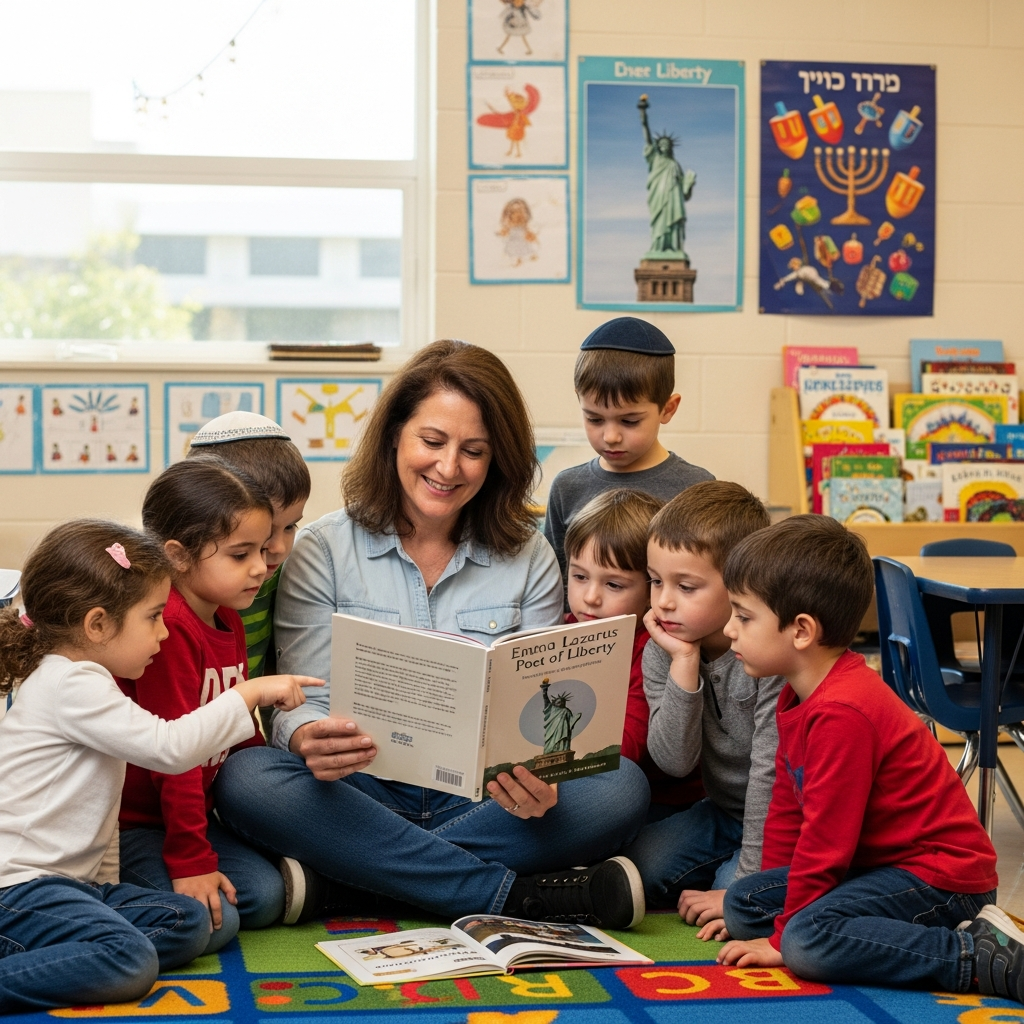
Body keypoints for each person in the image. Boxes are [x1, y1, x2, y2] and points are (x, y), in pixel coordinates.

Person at [214, 340, 650, 929]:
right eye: (433, 441)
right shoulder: (323, 548)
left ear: (496, 460)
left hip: (487, 799)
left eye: (474, 451)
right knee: (247, 779)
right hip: (357, 789)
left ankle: (348, 879)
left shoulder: (530, 556)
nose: (448, 468)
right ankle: (510, 895)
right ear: (395, 434)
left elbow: (545, 710)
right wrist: (304, 736)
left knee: (619, 787)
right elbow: (301, 697)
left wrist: (546, 774)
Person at [0, 519, 315, 1012]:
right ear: (97, 625)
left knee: (190, 921)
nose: (164, 631)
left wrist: (106, 888)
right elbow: (170, 748)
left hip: (70, 889)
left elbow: (100, 821)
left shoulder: (84, 679)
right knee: (130, 959)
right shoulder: (71, 683)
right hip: (18, 890)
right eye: (152, 617)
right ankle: (86, 953)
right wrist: (248, 694)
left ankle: (65, 953)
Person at [714, 515, 1024, 1002]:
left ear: (801, 631)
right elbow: (789, 811)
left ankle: (974, 953)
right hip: (882, 868)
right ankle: (876, 933)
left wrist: (781, 937)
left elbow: (825, 843)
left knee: (806, 941)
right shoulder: (796, 694)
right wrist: (773, 903)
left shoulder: (842, 712)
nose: (728, 628)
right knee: (743, 902)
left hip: (942, 880)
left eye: (743, 616)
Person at [118, 458, 317, 954]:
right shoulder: (170, 627)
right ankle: (95, 906)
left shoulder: (227, 614)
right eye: (240, 554)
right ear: (178, 556)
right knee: (218, 921)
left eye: (262, 548)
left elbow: (237, 730)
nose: (261, 566)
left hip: (191, 816)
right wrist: (191, 861)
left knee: (265, 898)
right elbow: (177, 757)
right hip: (135, 826)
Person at [620, 481, 784, 931]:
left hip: (784, 818)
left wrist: (744, 880)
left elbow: (769, 776)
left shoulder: (767, 655)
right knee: (640, 868)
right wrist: (684, 662)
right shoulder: (663, 649)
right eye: (656, 581)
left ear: (740, 585)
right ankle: (730, 872)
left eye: (686, 586)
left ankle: (740, 875)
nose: (663, 601)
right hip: (724, 812)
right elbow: (675, 760)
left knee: (744, 901)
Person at [543, 316, 712, 587]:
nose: (610, 437)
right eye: (594, 419)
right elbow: (555, 584)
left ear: (667, 409)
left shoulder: (697, 489)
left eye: (629, 421)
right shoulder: (567, 487)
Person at [562, 488, 702, 811]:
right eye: (579, 576)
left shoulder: (652, 647)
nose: (590, 597)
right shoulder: (564, 629)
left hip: (657, 800)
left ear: (651, 587)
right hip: (576, 779)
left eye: (613, 584)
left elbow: (627, 747)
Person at [186, 411, 311, 736]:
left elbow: (274, 680)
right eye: (264, 531)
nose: (279, 547)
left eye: (290, 526)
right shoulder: (161, 597)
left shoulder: (279, 577)